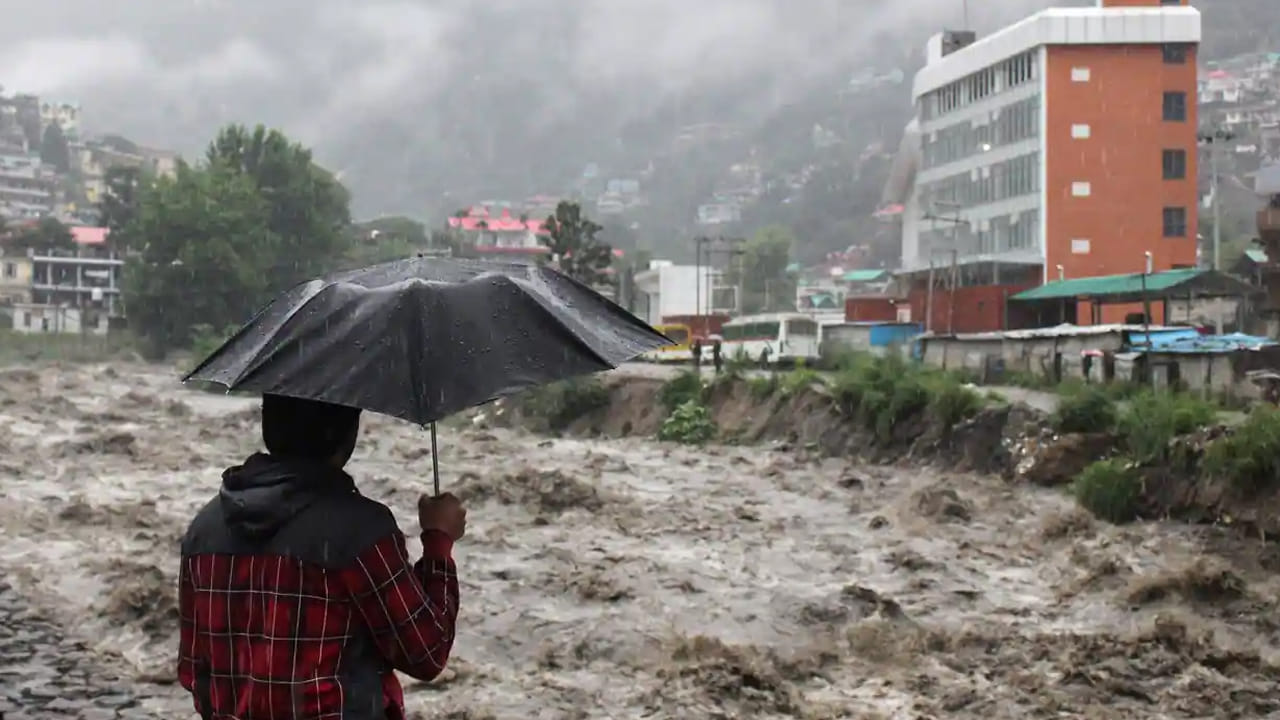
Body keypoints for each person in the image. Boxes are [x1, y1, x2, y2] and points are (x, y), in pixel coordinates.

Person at [177, 393, 465, 720]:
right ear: (346, 435)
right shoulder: (361, 531)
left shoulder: (205, 528)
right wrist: (438, 543)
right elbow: (426, 652)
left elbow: (193, 670)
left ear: (269, 425)